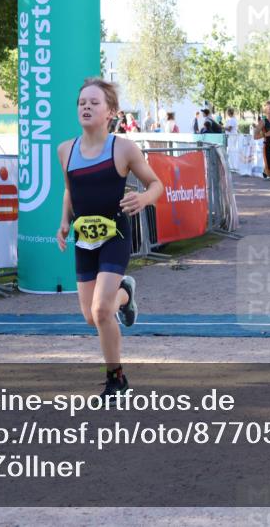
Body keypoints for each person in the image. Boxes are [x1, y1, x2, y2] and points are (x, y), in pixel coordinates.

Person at [56, 78, 165, 398]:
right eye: (82, 103)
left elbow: (157, 184)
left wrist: (143, 199)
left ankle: (117, 380)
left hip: (115, 235)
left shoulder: (124, 149)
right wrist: (64, 221)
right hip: (84, 239)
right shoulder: (65, 150)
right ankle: (126, 294)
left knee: (103, 310)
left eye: (94, 103)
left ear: (111, 112)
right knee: (92, 317)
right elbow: (69, 190)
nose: (86, 107)